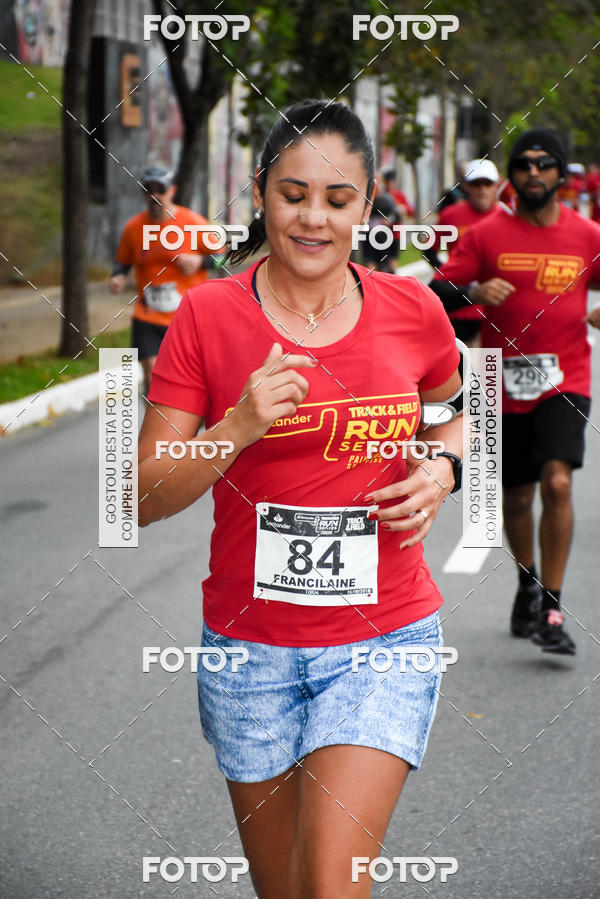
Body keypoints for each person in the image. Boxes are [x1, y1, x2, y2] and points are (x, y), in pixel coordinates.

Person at [137, 99, 463, 897]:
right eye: (293, 194)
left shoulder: (413, 309)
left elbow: (460, 419)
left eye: (338, 198)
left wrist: (442, 469)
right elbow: (138, 495)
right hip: (249, 648)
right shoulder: (209, 316)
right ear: (259, 192)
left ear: (368, 200)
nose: (313, 218)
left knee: (330, 882)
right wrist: (238, 425)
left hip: (385, 637)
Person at [430, 127, 600, 656]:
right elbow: (436, 290)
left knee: (558, 483)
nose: (533, 173)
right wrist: (475, 290)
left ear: (560, 174)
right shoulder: (486, 235)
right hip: (496, 380)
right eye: (523, 164)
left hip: (564, 377)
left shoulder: (586, 236)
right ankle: (527, 585)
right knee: (518, 494)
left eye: (544, 164)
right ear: (512, 174)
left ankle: (552, 603)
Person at [109, 166, 215, 395]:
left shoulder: (193, 222)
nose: (155, 196)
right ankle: (155, 427)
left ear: (172, 191)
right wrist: (117, 276)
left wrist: (200, 262)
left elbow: (224, 259)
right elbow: (123, 262)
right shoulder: (133, 228)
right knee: (152, 373)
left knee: (188, 378)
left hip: (188, 317)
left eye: (161, 189)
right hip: (148, 315)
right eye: (149, 190)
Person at [424, 158, 500, 345]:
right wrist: (446, 275)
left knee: (490, 368)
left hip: (493, 309)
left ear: (496, 186)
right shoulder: (451, 215)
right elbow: (429, 250)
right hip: (459, 305)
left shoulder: (508, 218)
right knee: (460, 367)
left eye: (487, 183)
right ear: (467, 186)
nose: (482, 189)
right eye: (476, 183)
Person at [361, 171, 401, 272]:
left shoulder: (387, 198)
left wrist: (389, 220)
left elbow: (395, 215)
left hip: (384, 235)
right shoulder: (366, 198)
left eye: (377, 180)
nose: (375, 183)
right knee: (370, 261)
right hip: (369, 235)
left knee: (384, 262)